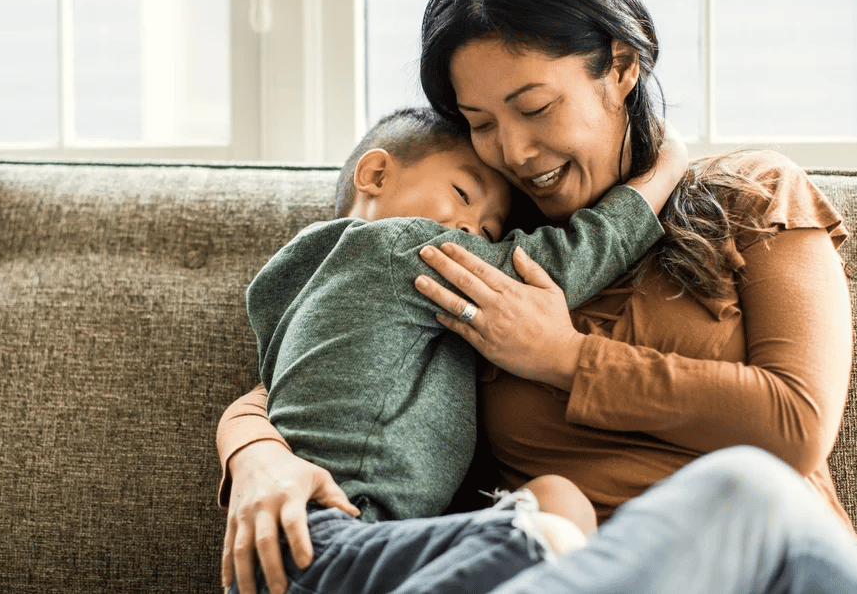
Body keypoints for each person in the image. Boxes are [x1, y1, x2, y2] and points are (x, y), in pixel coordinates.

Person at [219, 0, 857, 594]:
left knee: (744, 487)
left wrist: (561, 357)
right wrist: (256, 457)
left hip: (760, 564)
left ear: (621, 68)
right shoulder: (482, 254)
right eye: (481, 124)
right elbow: (317, 364)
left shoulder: (751, 192)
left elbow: (796, 426)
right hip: (549, 571)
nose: (512, 151)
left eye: (533, 107)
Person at [233, 105, 685, 593]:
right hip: (327, 537)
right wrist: (660, 176)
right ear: (376, 173)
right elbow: (554, 266)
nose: (473, 230)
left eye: (491, 232)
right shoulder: (400, 246)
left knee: (549, 506)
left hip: (301, 547)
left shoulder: (297, 284)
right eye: (462, 194)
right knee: (555, 511)